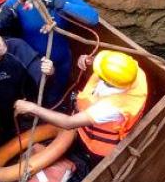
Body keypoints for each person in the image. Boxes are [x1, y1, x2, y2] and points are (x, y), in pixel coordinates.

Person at [0, 0, 98, 108]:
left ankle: (51, 114)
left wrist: (60, 4)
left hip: (60, 61)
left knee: (54, 99)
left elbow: (93, 18)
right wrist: (2, 16)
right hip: (31, 61)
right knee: (30, 95)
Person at [14, 50, 148, 160]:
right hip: (90, 121)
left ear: (108, 81)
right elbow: (113, 65)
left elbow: (68, 123)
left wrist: (32, 108)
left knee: (84, 158)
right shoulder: (133, 72)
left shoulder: (111, 108)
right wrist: (91, 60)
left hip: (96, 146)